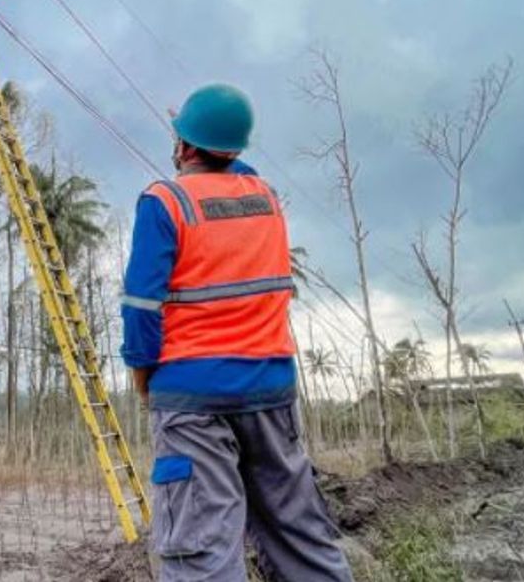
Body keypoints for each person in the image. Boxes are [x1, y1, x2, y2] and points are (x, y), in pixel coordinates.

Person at [120, 84, 353, 581]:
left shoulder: (164, 202)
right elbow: (236, 171)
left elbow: (141, 307)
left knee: (201, 547)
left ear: (184, 147)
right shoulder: (265, 198)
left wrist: (143, 376)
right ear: (235, 149)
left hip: (191, 400)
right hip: (271, 392)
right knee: (299, 533)